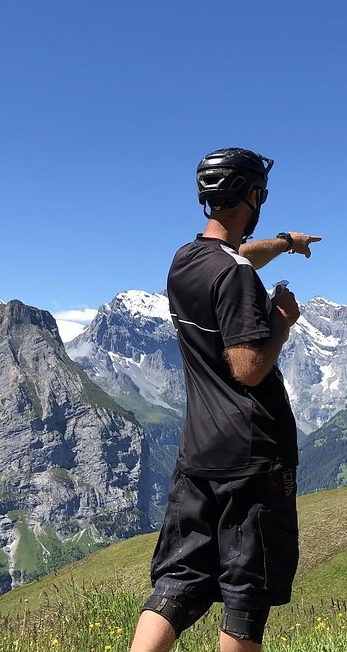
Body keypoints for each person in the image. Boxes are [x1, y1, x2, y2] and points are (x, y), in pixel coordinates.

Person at [130, 147, 321, 652]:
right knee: (246, 595)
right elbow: (249, 368)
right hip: (253, 455)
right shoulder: (234, 277)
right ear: (251, 195)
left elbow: (234, 259)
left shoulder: (187, 261)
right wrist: (281, 320)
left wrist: (283, 243)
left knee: (177, 582)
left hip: (200, 452)